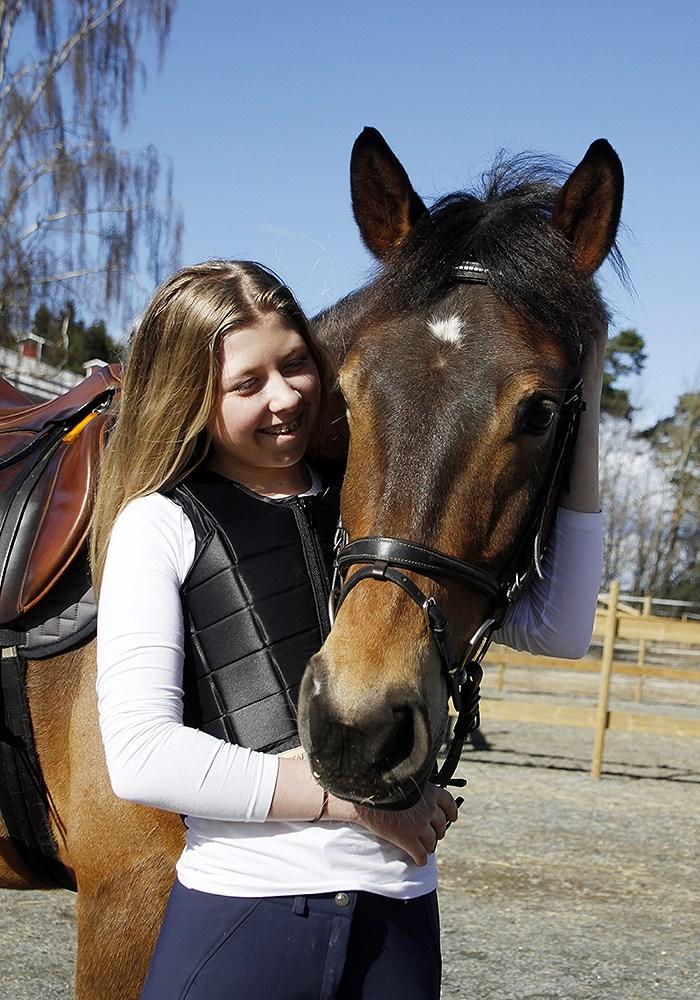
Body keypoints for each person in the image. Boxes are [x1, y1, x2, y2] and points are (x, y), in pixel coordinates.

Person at [92, 260, 606, 1000]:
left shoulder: (374, 519)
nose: (286, 396)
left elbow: (559, 628)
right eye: (248, 383)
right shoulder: (161, 523)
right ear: (191, 395)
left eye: (296, 363)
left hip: (396, 928)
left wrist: (580, 399)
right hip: (242, 922)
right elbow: (142, 758)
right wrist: (362, 803)